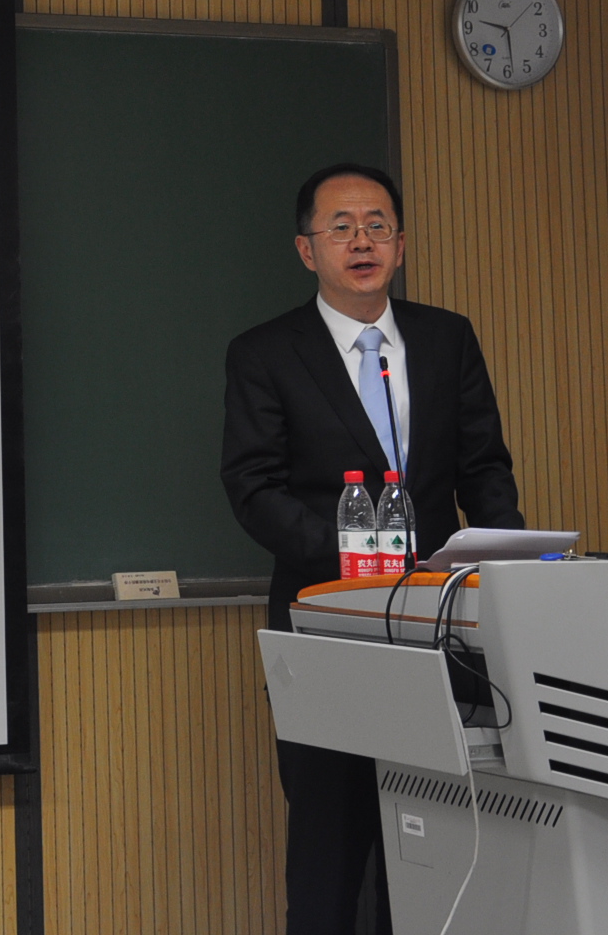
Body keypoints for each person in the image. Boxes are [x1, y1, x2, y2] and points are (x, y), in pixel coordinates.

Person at [220, 163, 522, 935]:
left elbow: (485, 468)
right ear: (306, 249)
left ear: (401, 244)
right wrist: (355, 561)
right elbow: (253, 487)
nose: (362, 242)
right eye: (342, 228)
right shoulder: (265, 352)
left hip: (441, 627)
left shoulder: (446, 338)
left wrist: (505, 573)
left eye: (378, 226)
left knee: (433, 835)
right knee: (329, 841)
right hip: (326, 624)